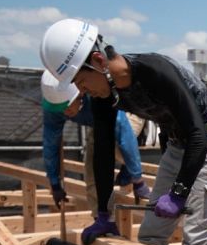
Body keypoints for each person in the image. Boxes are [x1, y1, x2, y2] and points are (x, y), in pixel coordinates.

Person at [40, 19, 207, 245]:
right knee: (150, 235)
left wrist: (179, 193)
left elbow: (199, 134)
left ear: (99, 62)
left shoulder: (155, 71)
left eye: (82, 81)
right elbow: (102, 151)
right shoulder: (106, 92)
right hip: (177, 145)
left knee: (195, 240)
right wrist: (103, 212)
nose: (83, 91)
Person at [40, 71, 151, 212]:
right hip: (97, 122)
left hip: (128, 110)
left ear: (79, 95)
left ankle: (128, 170)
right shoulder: (54, 110)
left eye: (65, 107)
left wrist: (138, 180)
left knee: (117, 147)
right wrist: (54, 184)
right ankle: (100, 218)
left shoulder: (99, 93)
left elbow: (124, 135)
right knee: (92, 171)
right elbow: (51, 145)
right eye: (58, 109)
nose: (63, 113)